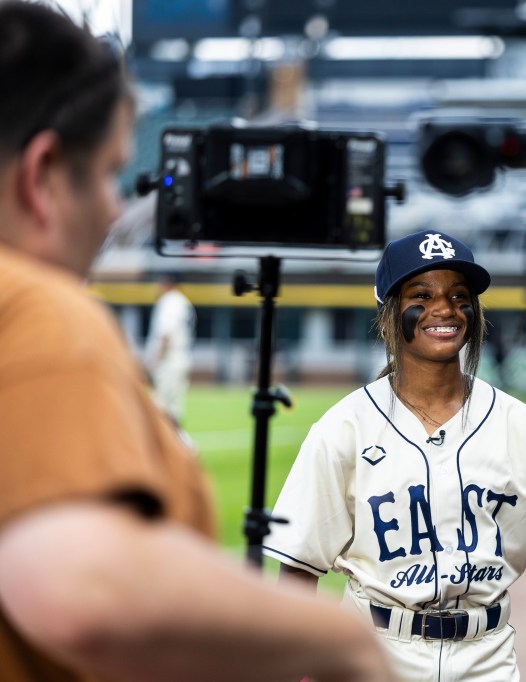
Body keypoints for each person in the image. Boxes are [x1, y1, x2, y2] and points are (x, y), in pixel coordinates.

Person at [0, 3, 392, 681]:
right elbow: (80, 592)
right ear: (40, 177)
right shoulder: (37, 307)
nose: (115, 208)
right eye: (107, 175)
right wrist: (340, 638)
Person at [264, 229, 526, 681]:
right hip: (376, 655)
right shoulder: (344, 428)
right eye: (423, 294)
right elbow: (298, 572)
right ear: (390, 310)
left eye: (459, 296)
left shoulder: (523, 428)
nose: (445, 309)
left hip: (487, 659)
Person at [145, 271, 196, 426]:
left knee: (160, 409)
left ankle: (168, 447)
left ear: (168, 283)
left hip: (168, 361)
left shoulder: (170, 301)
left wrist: (154, 362)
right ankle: (176, 444)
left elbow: (166, 336)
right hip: (180, 359)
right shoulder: (183, 301)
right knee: (173, 409)